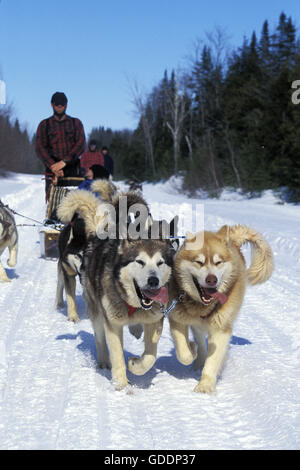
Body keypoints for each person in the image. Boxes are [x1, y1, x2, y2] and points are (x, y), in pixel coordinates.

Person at [35, 92, 86, 201]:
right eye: (57, 103)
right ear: (52, 105)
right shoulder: (44, 125)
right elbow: (40, 148)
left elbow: (81, 144)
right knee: (53, 206)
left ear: (66, 105)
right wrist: (53, 166)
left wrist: (64, 162)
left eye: (62, 103)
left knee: (76, 205)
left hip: (73, 170)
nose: (59, 105)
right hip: (52, 171)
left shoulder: (76, 123)